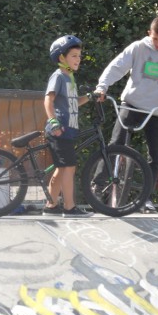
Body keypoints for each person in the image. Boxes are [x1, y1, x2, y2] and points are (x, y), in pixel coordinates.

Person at [94, 16, 158, 213]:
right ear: (149, 33)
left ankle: (145, 199)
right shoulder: (138, 47)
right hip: (132, 104)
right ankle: (97, 187)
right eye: (155, 39)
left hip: (156, 110)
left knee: (155, 156)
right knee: (114, 146)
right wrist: (102, 87)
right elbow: (117, 66)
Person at [43, 35, 93, 218]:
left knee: (62, 167)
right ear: (61, 58)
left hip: (66, 130)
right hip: (59, 129)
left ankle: (51, 205)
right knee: (69, 167)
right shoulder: (58, 77)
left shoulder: (70, 78)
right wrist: (53, 121)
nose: (78, 59)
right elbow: (48, 100)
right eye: (73, 56)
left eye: (79, 56)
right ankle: (69, 207)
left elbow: (73, 103)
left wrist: (90, 97)